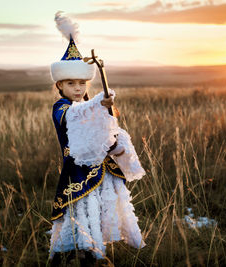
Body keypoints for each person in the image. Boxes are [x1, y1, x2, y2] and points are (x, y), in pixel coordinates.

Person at [48, 12, 146, 266]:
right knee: (80, 214)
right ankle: (77, 254)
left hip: (102, 170)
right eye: (71, 83)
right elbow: (75, 115)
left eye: (82, 82)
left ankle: (94, 254)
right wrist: (97, 103)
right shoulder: (62, 107)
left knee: (101, 216)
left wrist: (109, 123)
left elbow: (107, 131)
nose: (78, 88)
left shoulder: (91, 104)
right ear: (60, 85)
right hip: (77, 173)